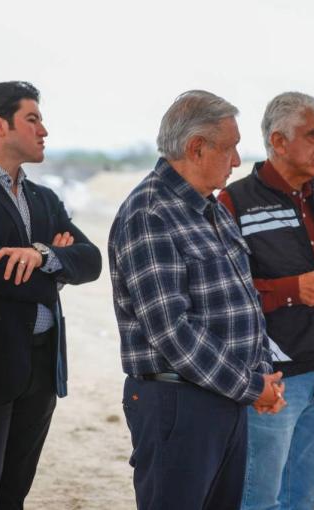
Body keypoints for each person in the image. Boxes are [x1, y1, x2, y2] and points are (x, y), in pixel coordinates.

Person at [109, 90, 286, 510]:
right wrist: (250, 386)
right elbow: (173, 332)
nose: (238, 160)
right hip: (178, 405)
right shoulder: (150, 213)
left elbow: (239, 302)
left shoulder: (210, 209)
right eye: (231, 148)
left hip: (222, 399)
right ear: (196, 147)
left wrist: (259, 377)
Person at [0, 81, 102, 510]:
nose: (43, 129)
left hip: (43, 365)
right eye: (32, 119)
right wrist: (58, 264)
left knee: (14, 495)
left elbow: (92, 261)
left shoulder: (43, 197)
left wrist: (40, 255)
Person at [218, 91, 314, 510]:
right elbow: (226, 294)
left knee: (302, 497)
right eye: (313, 134)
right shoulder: (234, 202)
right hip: (273, 377)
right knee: (258, 498)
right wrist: (290, 291)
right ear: (279, 142)